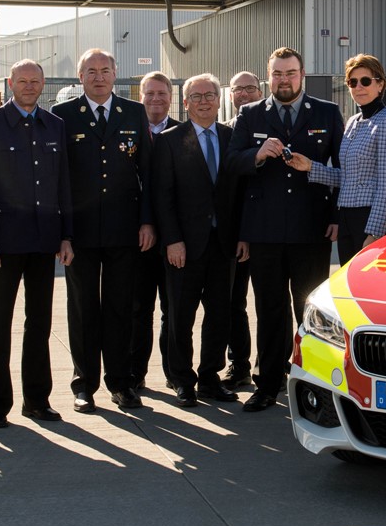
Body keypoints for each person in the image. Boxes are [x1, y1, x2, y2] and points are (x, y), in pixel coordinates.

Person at [225, 47, 342, 412]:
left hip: (312, 231)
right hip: (266, 232)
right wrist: (257, 155)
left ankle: (316, 385)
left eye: (290, 73)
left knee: (309, 311)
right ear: (268, 77)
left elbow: (343, 168)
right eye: (277, 74)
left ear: (302, 74)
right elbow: (232, 164)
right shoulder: (249, 114)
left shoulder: (327, 112)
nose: (284, 79)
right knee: (270, 310)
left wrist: (336, 215)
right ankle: (268, 384)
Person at [0, 60, 74, 429]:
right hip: (4, 243)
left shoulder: (54, 125)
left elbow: (63, 184)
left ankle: (37, 400)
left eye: (35, 81)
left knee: (39, 323)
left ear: (43, 84)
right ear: (10, 83)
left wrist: (66, 235)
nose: (29, 87)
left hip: (44, 241)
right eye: (22, 81)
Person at [51, 48, 154, 413]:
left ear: (115, 74)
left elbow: (147, 172)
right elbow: (58, 179)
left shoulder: (134, 112)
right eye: (91, 71)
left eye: (105, 70)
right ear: (80, 77)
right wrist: (62, 232)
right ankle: (85, 384)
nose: (98, 77)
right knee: (82, 309)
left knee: (119, 308)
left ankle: (121, 383)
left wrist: (146, 221)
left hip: (124, 230)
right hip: (79, 232)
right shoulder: (62, 116)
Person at [153, 74, 245, 407]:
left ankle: (209, 378)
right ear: (186, 102)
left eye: (210, 95)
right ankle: (182, 379)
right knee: (180, 316)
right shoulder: (168, 140)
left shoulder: (232, 137)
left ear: (219, 100)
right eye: (197, 95)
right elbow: (162, 196)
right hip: (184, 247)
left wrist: (242, 237)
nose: (204, 100)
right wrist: (172, 240)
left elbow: (240, 192)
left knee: (220, 314)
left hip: (224, 245)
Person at [287, 54, 386, 262]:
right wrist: (310, 167)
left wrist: (375, 232)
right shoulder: (353, 121)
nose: (358, 87)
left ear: (380, 85)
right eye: (352, 82)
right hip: (348, 217)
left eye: (366, 81)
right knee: (350, 288)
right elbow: (349, 178)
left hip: (371, 218)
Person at [131, 71, 178, 391]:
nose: (156, 99)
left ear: (171, 98)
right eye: (150, 93)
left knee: (172, 311)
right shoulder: (128, 130)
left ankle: (175, 375)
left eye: (162, 93)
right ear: (140, 96)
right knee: (138, 309)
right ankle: (135, 376)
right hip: (137, 238)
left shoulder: (183, 132)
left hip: (175, 237)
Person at [223, 70, 263, 389]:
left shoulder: (274, 128)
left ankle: (271, 363)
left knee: (269, 301)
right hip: (234, 236)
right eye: (239, 90)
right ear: (231, 95)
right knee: (233, 302)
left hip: (267, 232)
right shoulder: (226, 134)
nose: (245, 94)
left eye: (251, 88)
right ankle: (239, 365)